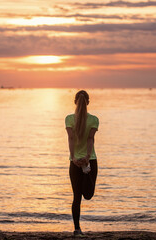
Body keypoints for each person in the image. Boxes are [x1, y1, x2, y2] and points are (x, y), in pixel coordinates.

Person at [65, 90, 99, 237]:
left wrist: (75, 158)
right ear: (88, 102)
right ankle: (77, 229)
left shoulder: (70, 119)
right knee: (85, 195)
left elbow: (71, 139)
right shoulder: (94, 119)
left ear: (74, 102)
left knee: (79, 196)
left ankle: (77, 229)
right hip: (88, 160)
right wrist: (83, 158)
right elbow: (90, 139)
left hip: (80, 160)